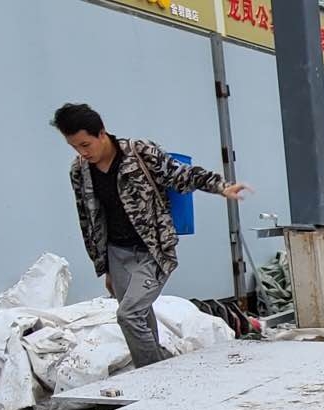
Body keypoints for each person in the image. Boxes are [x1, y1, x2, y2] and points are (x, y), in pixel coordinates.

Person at [53, 102, 250, 368]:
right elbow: (88, 221)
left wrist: (221, 187)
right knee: (140, 317)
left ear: (101, 133)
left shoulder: (140, 153)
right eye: (75, 147)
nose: (82, 152)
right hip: (116, 254)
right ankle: (160, 370)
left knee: (128, 315)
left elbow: (181, 175)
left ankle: (153, 374)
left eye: (85, 144)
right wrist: (105, 267)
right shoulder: (80, 171)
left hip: (153, 251)